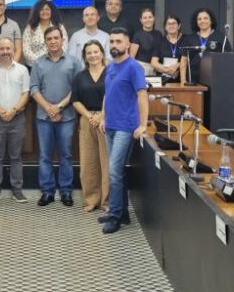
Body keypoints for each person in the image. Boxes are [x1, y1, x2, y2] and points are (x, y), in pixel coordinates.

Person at [98, 27, 148, 234]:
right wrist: (103, 116)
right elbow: (107, 94)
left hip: (125, 127)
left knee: (114, 171)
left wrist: (143, 124)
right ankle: (123, 212)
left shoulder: (134, 67)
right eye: (111, 41)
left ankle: (115, 215)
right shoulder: (110, 66)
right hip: (110, 125)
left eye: (118, 41)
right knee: (116, 172)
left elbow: (142, 95)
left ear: (127, 44)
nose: (114, 45)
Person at [30, 26, 82, 207]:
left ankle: (66, 191)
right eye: (49, 39)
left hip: (67, 116)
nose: (53, 41)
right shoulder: (37, 63)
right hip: (43, 117)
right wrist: (48, 108)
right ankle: (47, 192)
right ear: (45, 42)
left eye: (56, 38)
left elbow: (77, 88)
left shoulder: (74, 62)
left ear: (62, 40)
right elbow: (34, 88)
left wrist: (58, 107)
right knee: (45, 156)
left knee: (66, 155)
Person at [0, 37, 30, 204]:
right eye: (2, 49)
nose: (5, 52)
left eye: (8, 48)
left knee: (16, 156)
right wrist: (0, 111)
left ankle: (17, 190)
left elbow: (26, 93)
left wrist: (13, 110)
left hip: (17, 118)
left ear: (13, 50)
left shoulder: (22, 70)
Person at [71, 40, 108, 212]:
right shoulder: (80, 77)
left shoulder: (111, 73)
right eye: (89, 53)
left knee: (106, 162)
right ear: (85, 57)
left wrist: (101, 115)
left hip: (107, 119)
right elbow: (75, 100)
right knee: (88, 163)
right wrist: (89, 116)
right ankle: (92, 200)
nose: (93, 55)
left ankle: (107, 202)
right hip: (87, 120)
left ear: (102, 53)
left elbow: (114, 96)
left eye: (96, 51)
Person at [180, 8, 231, 85]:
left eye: (206, 18)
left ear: (211, 21)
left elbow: (227, 58)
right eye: (199, 19)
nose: (202, 21)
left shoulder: (221, 37)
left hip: (215, 79)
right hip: (193, 80)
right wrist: (183, 80)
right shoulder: (189, 38)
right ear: (196, 22)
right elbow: (184, 60)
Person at [22, 0, 69, 68]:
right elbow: (26, 49)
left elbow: (65, 46)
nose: (44, 12)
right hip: (34, 66)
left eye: (47, 9)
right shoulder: (30, 28)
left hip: (56, 65)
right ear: (37, 12)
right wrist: (40, 62)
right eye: (41, 10)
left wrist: (53, 60)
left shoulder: (59, 27)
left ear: (52, 11)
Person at [151, 15, 186, 82]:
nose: (171, 26)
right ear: (165, 27)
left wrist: (178, 64)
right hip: (163, 81)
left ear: (179, 26)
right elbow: (154, 62)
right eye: (168, 24)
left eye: (174, 23)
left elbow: (189, 60)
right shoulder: (160, 41)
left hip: (181, 80)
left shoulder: (186, 39)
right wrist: (167, 70)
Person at [130, 8, 162, 76]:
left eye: (150, 17)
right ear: (141, 20)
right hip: (141, 68)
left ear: (154, 18)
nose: (148, 20)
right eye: (145, 18)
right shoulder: (137, 35)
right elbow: (131, 57)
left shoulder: (158, 34)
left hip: (156, 69)